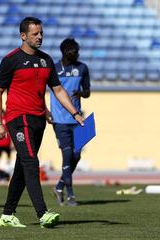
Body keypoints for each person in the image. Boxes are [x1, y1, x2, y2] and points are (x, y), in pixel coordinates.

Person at [0, 16, 84, 228]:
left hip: (39, 119)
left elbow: (58, 90)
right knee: (31, 162)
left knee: (22, 168)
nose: (40, 36)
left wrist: (75, 113)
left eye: (41, 33)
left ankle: (7, 214)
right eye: (35, 33)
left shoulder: (46, 60)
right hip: (18, 118)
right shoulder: (11, 60)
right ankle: (43, 213)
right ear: (23, 36)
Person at [49, 38, 91, 207]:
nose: (78, 54)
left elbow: (88, 92)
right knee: (67, 155)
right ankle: (71, 196)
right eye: (75, 51)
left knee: (76, 155)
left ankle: (59, 187)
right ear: (66, 52)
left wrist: (81, 93)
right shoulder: (54, 69)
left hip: (78, 119)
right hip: (60, 120)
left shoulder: (82, 68)